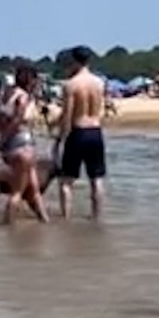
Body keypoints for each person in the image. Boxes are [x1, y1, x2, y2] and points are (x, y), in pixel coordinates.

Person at [54, 46, 107, 220]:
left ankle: (66, 218)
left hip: (78, 131)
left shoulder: (71, 85)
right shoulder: (99, 83)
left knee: (66, 181)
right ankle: (96, 216)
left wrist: (59, 139)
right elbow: (101, 112)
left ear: (74, 61)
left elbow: (67, 116)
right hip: (95, 131)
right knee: (96, 179)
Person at [0, 64, 48, 223]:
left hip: (10, 148)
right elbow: (18, 119)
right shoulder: (23, 97)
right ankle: (8, 228)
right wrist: (3, 140)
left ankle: (44, 221)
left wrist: (1, 138)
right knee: (17, 192)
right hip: (22, 146)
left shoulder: (6, 95)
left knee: (34, 190)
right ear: (31, 80)